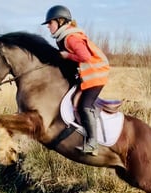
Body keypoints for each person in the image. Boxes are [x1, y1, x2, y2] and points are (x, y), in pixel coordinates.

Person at [42, 5, 110, 156]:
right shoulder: (63, 37)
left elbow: (85, 57)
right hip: (88, 75)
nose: (48, 26)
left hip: (96, 76)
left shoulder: (71, 38)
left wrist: (67, 56)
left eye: (50, 22)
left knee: (84, 105)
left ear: (60, 21)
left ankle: (92, 142)